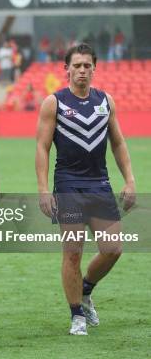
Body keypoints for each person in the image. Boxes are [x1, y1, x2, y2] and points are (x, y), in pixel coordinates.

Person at [36, 43, 136, 336]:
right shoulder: (54, 102)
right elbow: (42, 148)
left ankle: (86, 290)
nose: (82, 71)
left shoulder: (106, 101)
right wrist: (43, 189)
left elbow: (118, 142)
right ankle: (76, 315)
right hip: (68, 184)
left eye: (87, 66)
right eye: (76, 66)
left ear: (94, 68)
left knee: (113, 249)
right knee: (73, 253)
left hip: (100, 184)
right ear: (66, 69)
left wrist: (129, 180)